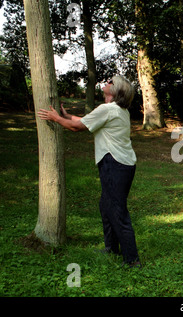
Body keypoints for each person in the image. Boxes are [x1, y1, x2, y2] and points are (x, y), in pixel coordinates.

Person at [37, 76, 141, 268]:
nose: (107, 82)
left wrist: (55, 118)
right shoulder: (119, 110)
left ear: (115, 90)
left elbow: (77, 128)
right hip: (122, 164)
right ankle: (111, 248)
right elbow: (84, 121)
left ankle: (132, 259)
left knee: (117, 210)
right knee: (106, 206)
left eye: (111, 81)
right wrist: (65, 116)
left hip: (115, 164)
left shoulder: (108, 109)